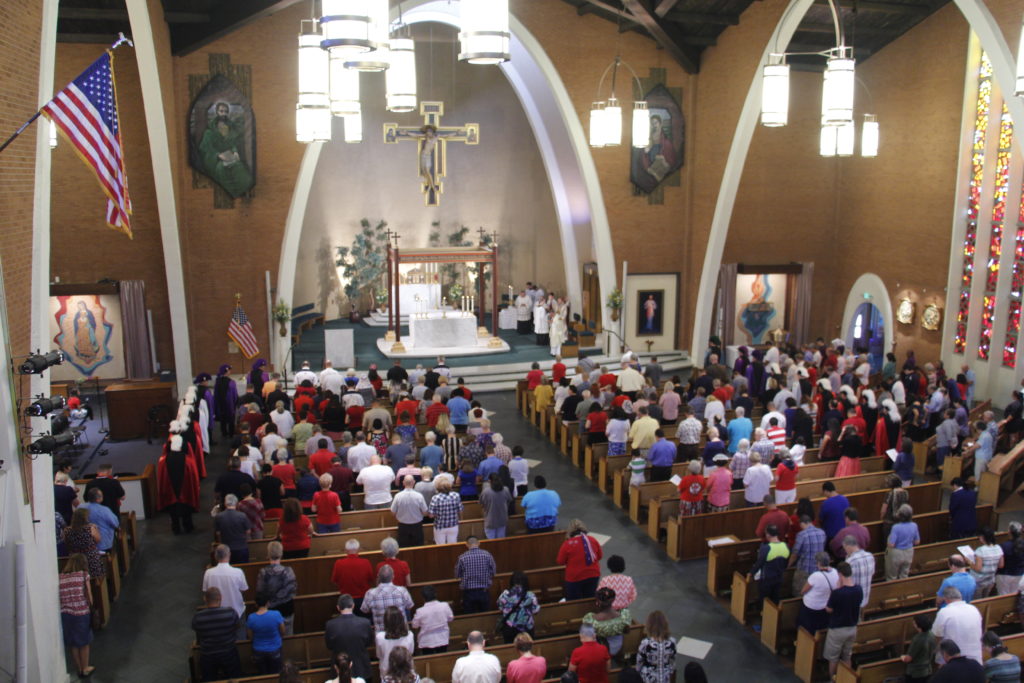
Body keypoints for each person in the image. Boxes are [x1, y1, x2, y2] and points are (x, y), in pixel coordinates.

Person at [192, 586, 242, 681]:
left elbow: (198, 633)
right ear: (220, 598)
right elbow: (236, 628)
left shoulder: (198, 617)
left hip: (208, 654)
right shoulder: (230, 612)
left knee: (209, 679)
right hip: (229, 652)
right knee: (234, 678)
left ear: (205, 599)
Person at [823, 561, 863, 679]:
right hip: (852, 627)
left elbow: (829, 609)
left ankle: (833, 679)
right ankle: (846, 679)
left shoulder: (837, 593)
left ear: (840, 575)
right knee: (847, 656)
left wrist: (838, 587)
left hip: (838, 629)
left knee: (833, 658)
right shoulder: (858, 589)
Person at [60, 554, 95, 678]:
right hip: (81, 613)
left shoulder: (61, 577)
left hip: (66, 614)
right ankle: (85, 668)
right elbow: (88, 594)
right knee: (84, 642)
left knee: (74, 643)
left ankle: (78, 669)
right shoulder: (83, 575)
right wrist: (91, 606)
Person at [325, 594, 375, 680]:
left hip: (339, 669)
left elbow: (329, 646)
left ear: (338, 607)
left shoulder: (330, 625)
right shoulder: (365, 623)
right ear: (353, 606)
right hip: (362, 668)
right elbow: (369, 643)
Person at [932, 585, 983, 664]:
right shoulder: (973, 609)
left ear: (945, 599)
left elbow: (937, 636)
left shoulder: (944, 612)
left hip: (953, 658)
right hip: (975, 656)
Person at [256, 541, 297, 635]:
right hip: (286, 608)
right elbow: (293, 591)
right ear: (281, 554)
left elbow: (260, 592)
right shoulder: (288, 571)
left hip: (270, 609)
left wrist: (272, 602)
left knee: (272, 636)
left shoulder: (263, 572)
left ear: (268, 554)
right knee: (287, 637)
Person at [202, 544, 248, 626]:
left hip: (215, 614)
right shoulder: (238, 572)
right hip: (236, 610)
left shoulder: (208, 573)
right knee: (240, 636)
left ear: (216, 557)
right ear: (229, 555)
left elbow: (206, 592)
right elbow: (243, 589)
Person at [748, 524, 790, 613]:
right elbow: (786, 563)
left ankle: (763, 617)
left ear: (768, 534)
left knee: (763, 600)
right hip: (779, 578)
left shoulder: (767, 548)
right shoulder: (786, 546)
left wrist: (751, 573)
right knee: (775, 600)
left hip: (766, 579)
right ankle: (772, 619)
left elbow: (759, 563)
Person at [558, 518, 603, 600]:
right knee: (589, 599)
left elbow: (560, 561)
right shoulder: (592, 540)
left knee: (574, 601)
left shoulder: (567, 544)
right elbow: (600, 556)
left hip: (574, 577)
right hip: (593, 574)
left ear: (570, 531)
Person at [361, 564, 414, 632]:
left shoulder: (370, 593)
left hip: (381, 633)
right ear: (393, 577)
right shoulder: (402, 591)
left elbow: (364, 610)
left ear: (378, 577)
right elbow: (409, 606)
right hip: (401, 633)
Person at [797, 552, 840, 634]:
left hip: (811, 606)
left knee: (807, 629)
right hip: (825, 605)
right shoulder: (835, 572)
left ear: (819, 563)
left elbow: (803, 590)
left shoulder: (816, 576)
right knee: (820, 628)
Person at [582, 587, 631, 657]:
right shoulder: (625, 616)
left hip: (600, 651)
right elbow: (627, 631)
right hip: (618, 647)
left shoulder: (590, 619)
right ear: (613, 600)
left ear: (597, 601)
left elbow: (587, 635)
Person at [497, 571, 542, 642]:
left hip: (510, 628)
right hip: (527, 628)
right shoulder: (530, 595)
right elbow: (535, 611)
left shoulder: (505, 595)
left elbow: (500, 608)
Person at [455, 536, 496, 613]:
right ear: (479, 543)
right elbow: (493, 572)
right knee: (485, 615)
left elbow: (457, 575)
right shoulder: (487, 555)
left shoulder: (462, 558)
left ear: (466, 545)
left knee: (470, 617)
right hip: (484, 591)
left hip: (468, 592)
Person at [331, 539, 375, 611]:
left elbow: (334, 581)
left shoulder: (338, 563)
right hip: (363, 599)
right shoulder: (366, 562)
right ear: (358, 550)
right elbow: (371, 580)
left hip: (345, 600)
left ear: (346, 550)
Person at [246, 592, 285, 674]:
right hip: (275, 649)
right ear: (268, 603)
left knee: (263, 675)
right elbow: (283, 631)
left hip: (258, 650)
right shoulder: (276, 614)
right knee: (276, 674)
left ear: (256, 604)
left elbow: (250, 636)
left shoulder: (251, 618)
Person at [410, 584, 454, 654]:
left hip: (426, 641)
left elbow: (414, 625)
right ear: (435, 594)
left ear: (423, 598)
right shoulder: (444, 606)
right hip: (442, 638)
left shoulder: (420, 611)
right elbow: (450, 618)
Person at [63, 507, 104, 579]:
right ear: (85, 518)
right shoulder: (90, 528)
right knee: (94, 578)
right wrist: (96, 529)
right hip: (90, 557)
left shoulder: (67, 530)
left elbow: (66, 544)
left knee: (78, 578)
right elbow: (98, 540)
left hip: (75, 558)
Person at [635, 610, 675, 683]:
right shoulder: (672, 642)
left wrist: (637, 673)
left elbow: (639, 662)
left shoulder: (645, 643)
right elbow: (672, 660)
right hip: (665, 677)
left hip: (649, 678)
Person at [884, 504, 920, 580]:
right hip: (909, 552)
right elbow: (917, 542)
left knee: (892, 577)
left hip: (896, 553)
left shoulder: (896, 527)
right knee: (904, 576)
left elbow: (891, 544)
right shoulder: (914, 525)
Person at [390, 475, 428, 547]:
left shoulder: (398, 496)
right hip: (417, 527)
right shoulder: (419, 496)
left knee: (404, 549)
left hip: (403, 527)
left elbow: (393, 512)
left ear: (403, 483)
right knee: (418, 549)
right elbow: (425, 512)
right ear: (413, 482)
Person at [376, 606, 415, 676]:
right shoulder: (409, 635)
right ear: (401, 620)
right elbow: (410, 652)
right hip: (405, 671)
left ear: (385, 621)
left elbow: (379, 655)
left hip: (388, 671)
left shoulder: (380, 637)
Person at [78, 487, 119, 552]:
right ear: (98, 499)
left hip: (85, 544)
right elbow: (115, 523)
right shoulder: (104, 510)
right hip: (103, 543)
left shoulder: (80, 507)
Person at [900, 613, 936, 683]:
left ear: (917, 625)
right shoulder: (931, 634)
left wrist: (902, 657)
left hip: (916, 673)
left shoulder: (917, 639)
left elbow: (908, 659)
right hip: (928, 670)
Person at [969, 527, 1004, 598]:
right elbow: (1001, 565)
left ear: (982, 537)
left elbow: (978, 568)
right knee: (985, 598)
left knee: (977, 601)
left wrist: (969, 562)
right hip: (990, 580)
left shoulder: (981, 550)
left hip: (979, 581)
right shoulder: (998, 548)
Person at [428, 477, 464, 545]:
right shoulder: (456, 495)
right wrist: (461, 519)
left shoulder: (435, 498)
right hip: (453, 525)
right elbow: (460, 510)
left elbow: (431, 515)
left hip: (440, 526)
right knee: (453, 545)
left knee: (440, 546)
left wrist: (438, 514)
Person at [479, 474, 514, 539]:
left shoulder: (486, 492)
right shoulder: (505, 490)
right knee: (501, 540)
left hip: (490, 520)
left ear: (489, 481)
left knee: (491, 542)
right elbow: (509, 501)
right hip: (502, 519)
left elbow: (481, 504)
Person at [996, 521, 1024, 594]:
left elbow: (1000, 564)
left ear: (1009, 532)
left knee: (1003, 597)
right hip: (1019, 574)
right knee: (1013, 598)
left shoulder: (1004, 546)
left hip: (1005, 575)